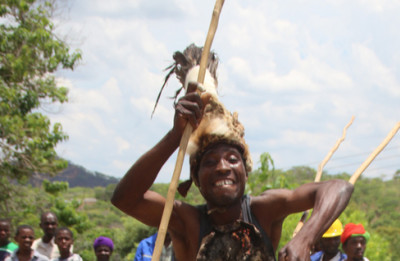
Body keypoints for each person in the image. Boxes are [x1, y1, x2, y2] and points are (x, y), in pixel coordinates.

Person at [111, 44, 354, 261]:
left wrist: (305, 238)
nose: (222, 167)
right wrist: (175, 136)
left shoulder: (263, 210)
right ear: (196, 180)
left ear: (245, 171)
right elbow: (124, 199)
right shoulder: (186, 221)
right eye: (210, 162)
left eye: (232, 159)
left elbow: (339, 187)